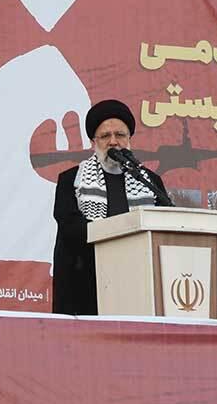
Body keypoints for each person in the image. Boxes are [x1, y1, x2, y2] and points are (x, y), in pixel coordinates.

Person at [52, 99, 171, 315]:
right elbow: (70, 228)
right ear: (93, 141)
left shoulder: (150, 182)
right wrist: (117, 235)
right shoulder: (72, 180)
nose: (113, 142)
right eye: (105, 136)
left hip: (139, 282)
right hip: (86, 286)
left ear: (129, 139)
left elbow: (165, 226)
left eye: (120, 135)